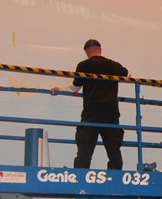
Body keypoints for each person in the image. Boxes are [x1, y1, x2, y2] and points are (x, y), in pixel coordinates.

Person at [54, 39, 128, 170]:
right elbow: (128, 75)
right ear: (100, 49)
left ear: (87, 52)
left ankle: (81, 179)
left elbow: (74, 88)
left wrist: (59, 90)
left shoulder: (84, 66)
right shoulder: (113, 65)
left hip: (92, 112)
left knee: (85, 149)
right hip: (110, 112)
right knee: (114, 150)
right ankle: (115, 178)